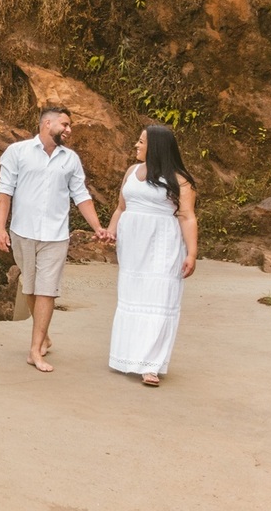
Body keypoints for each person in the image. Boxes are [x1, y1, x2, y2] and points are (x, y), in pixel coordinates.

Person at [0, 106, 108, 373]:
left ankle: (34, 350)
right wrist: (0, 229)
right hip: (23, 231)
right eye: (65, 124)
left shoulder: (70, 159)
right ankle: (43, 335)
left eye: (69, 126)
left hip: (56, 235)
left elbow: (81, 195)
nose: (69, 130)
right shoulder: (17, 152)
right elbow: (5, 193)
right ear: (47, 123)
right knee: (30, 288)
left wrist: (98, 227)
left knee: (46, 290)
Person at [106, 125, 198, 387]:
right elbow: (121, 208)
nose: (136, 145)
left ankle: (151, 365)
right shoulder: (131, 172)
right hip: (133, 246)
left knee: (159, 299)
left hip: (163, 245)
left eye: (141, 141)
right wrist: (111, 231)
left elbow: (187, 216)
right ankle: (127, 357)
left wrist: (192, 253)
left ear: (155, 146)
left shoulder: (179, 180)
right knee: (132, 297)